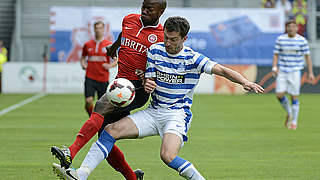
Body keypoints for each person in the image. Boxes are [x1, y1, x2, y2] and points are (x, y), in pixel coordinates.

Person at [53, 16, 264, 180]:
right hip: (154, 111)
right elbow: (150, 81)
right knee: (109, 131)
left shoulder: (193, 58)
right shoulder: (155, 50)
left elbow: (223, 70)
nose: (169, 43)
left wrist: (244, 81)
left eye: (174, 40)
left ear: (184, 38)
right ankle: (81, 174)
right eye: (166, 38)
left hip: (177, 115)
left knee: (167, 157)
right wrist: (148, 83)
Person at [51, 0, 167, 180]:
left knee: (101, 104)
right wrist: (114, 47)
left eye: (149, 9)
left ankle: (70, 153)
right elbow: (124, 34)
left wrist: (151, 79)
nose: (144, 11)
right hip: (120, 81)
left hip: (136, 88)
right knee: (105, 137)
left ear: (160, 12)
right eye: (143, 6)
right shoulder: (129, 19)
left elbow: (164, 66)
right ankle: (133, 177)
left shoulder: (161, 37)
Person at [271, 20, 314, 130]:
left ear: (296, 28)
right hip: (283, 70)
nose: (291, 28)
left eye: (293, 26)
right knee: (279, 94)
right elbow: (276, 54)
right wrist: (274, 67)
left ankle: (294, 122)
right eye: (289, 27)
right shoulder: (281, 39)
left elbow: (307, 57)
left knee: (294, 96)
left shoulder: (302, 41)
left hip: (295, 71)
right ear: (287, 28)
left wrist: (310, 72)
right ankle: (290, 112)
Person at [80, 21, 117, 116]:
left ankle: (97, 121)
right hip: (90, 77)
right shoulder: (88, 44)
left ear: (104, 29)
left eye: (100, 28)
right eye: (96, 28)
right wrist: (83, 64)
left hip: (103, 78)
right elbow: (83, 57)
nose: (98, 30)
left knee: (102, 105)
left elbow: (116, 60)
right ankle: (91, 117)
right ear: (94, 29)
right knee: (89, 101)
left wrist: (109, 66)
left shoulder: (108, 44)